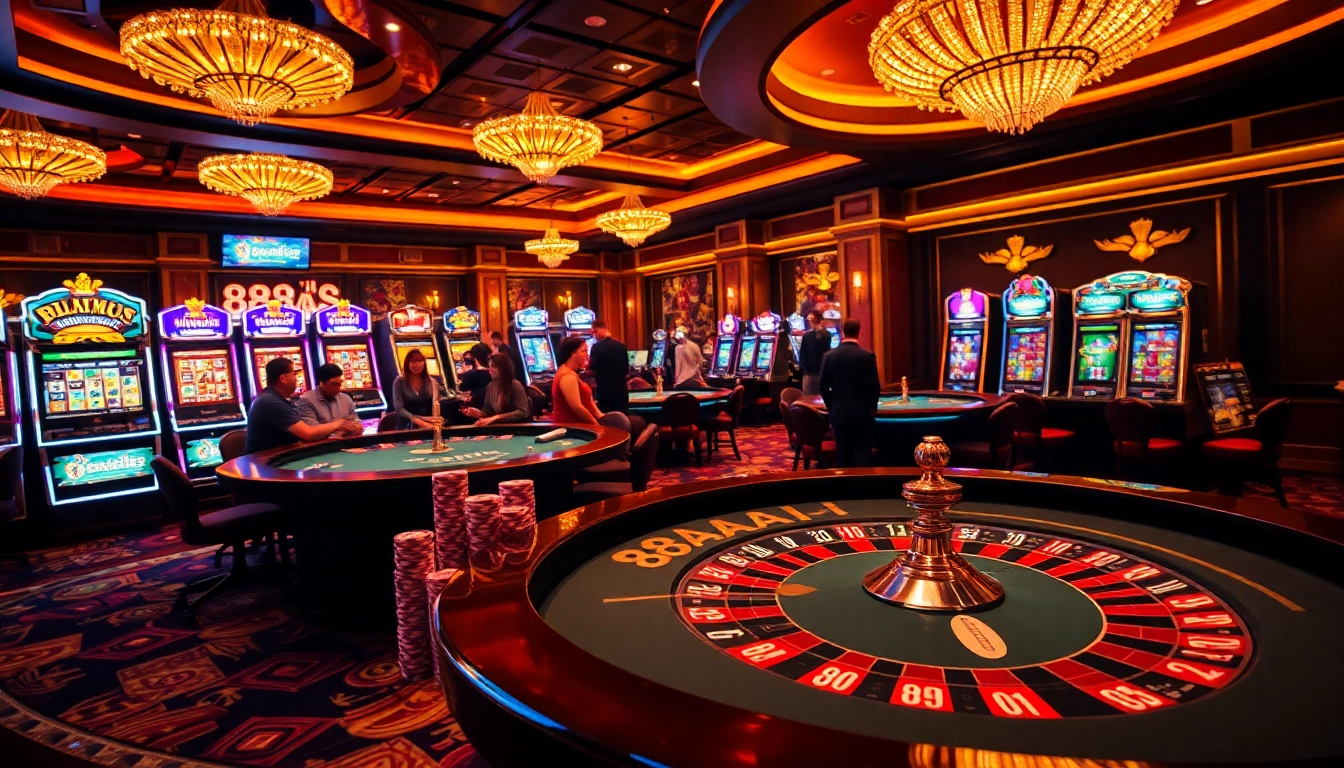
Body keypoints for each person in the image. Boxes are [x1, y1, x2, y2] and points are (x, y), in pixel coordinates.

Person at [244, 357, 361, 454]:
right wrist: (339, 424)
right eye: (294, 374)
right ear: (282, 378)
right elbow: (308, 434)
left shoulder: (275, 398)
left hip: (277, 458)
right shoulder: (270, 402)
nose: (297, 378)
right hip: (261, 467)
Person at [818, 318, 880, 468]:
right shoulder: (867, 356)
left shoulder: (829, 356)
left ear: (842, 331)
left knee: (843, 456)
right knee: (862, 455)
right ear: (860, 331)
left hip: (839, 413)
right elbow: (875, 387)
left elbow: (823, 387)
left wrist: (832, 406)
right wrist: (872, 408)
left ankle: (845, 488)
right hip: (862, 413)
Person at [461, 353, 530, 426]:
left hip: (517, 427)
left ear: (503, 368)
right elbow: (486, 411)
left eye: (493, 366)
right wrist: (476, 413)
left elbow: (522, 412)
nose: (489, 369)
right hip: (499, 427)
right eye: (489, 366)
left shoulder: (515, 385)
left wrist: (496, 417)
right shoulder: (491, 386)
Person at [296, 363, 364, 435]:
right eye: (334, 384)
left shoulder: (346, 398)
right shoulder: (306, 401)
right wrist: (338, 425)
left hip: (347, 443)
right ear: (321, 383)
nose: (338, 388)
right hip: (322, 445)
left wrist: (356, 426)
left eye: (340, 383)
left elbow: (356, 421)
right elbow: (313, 432)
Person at [552, 336, 602, 424]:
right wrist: (594, 422)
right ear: (573, 353)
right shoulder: (567, 376)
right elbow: (577, 406)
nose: (587, 355)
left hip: (580, 425)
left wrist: (600, 416)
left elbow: (588, 401)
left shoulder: (571, 372)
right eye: (584, 351)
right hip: (571, 429)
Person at [588, 319, 630, 414]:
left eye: (593, 332)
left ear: (597, 331)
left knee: (608, 421)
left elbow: (592, 370)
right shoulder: (621, 346)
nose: (593, 336)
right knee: (623, 420)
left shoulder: (596, 348)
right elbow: (626, 370)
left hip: (605, 391)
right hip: (621, 390)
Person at [393, 348, 441, 430]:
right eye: (413, 362)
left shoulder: (432, 382)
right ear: (407, 363)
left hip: (428, 426)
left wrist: (433, 421)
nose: (417, 365)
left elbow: (435, 408)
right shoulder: (399, 381)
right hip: (406, 426)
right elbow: (399, 409)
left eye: (420, 361)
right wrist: (419, 421)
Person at [799, 309, 830, 396]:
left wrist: (803, 368)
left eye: (810, 320)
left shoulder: (808, 335)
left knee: (809, 401)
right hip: (820, 372)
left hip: (812, 373)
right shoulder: (827, 334)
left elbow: (802, 355)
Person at [457, 342, 494, 409]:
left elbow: (461, 389)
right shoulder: (495, 373)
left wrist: (466, 372)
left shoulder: (470, 375)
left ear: (474, 359)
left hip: (478, 409)